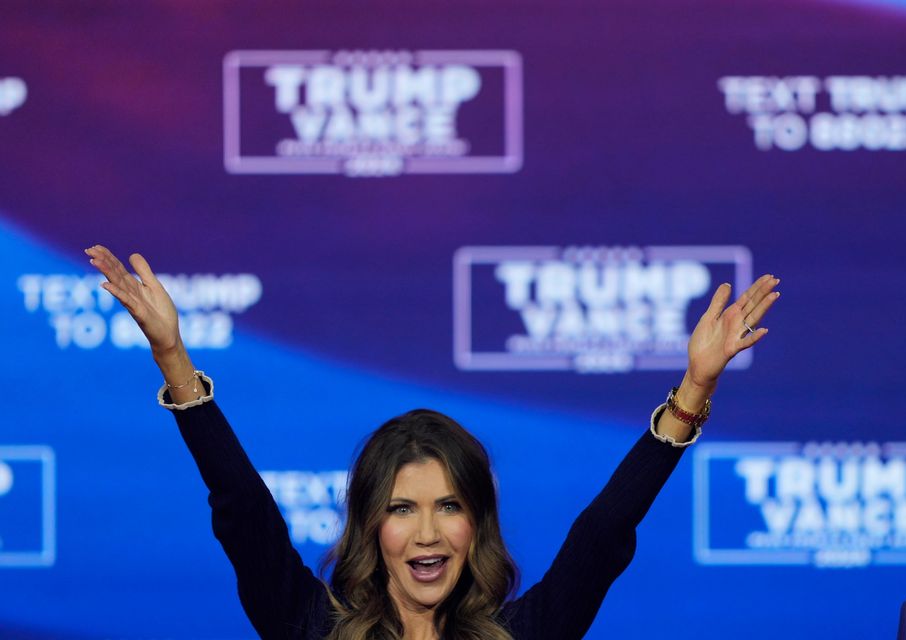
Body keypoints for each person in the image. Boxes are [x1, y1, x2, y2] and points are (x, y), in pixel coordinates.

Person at [85, 245, 780, 640]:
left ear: (476, 522)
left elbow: (603, 533)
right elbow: (242, 509)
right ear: (370, 526)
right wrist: (173, 358)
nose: (427, 534)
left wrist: (693, 391)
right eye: (402, 508)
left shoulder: (524, 634)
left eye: (448, 506)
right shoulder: (310, 628)